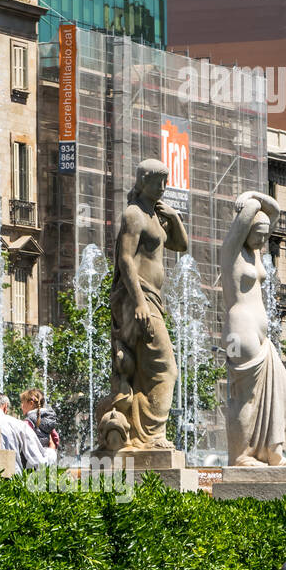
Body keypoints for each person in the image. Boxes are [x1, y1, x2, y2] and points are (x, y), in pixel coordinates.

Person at [95, 159, 189, 452]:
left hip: (151, 300)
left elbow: (181, 245)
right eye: (157, 181)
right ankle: (151, 435)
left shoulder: (154, 215)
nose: (162, 187)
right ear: (142, 181)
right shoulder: (134, 214)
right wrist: (138, 303)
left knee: (142, 372)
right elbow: (124, 258)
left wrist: (173, 217)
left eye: (165, 181)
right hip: (139, 299)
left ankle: (132, 432)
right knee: (164, 368)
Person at [220, 191, 286, 466]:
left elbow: (273, 212)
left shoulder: (255, 253)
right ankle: (241, 456)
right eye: (259, 234)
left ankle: (270, 451)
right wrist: (249, 200)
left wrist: (254, 193)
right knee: (246, 396)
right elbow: (252, 210)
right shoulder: (231, 252)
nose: (263, 240)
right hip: (239, 330)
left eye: (266, 236)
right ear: (246, 228)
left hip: (260, 334)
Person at [0, 392, 46, 469]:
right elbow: (38, 461)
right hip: (12, 478)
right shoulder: (19, 425)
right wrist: (51, 451)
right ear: (5, 407)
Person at [21, 389, 59, 466]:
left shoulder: (28, 421)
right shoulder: (48, 420)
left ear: (31, 403)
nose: (21, 406)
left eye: (22, 402)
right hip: (47, 454)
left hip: (32, 459)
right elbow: (55, 438)